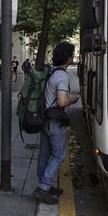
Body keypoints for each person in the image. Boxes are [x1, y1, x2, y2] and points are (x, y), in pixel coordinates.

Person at [33, 41, 79, 204]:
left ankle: (44, 184)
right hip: (55, 121)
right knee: (59, 154)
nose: (73, 57)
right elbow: (61, 101)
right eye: (72, 54)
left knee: (45, 153)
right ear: (67, 57)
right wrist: (73, 99)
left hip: (45, 118)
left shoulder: (51, 72)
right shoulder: (62, 76)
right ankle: (43, 187)